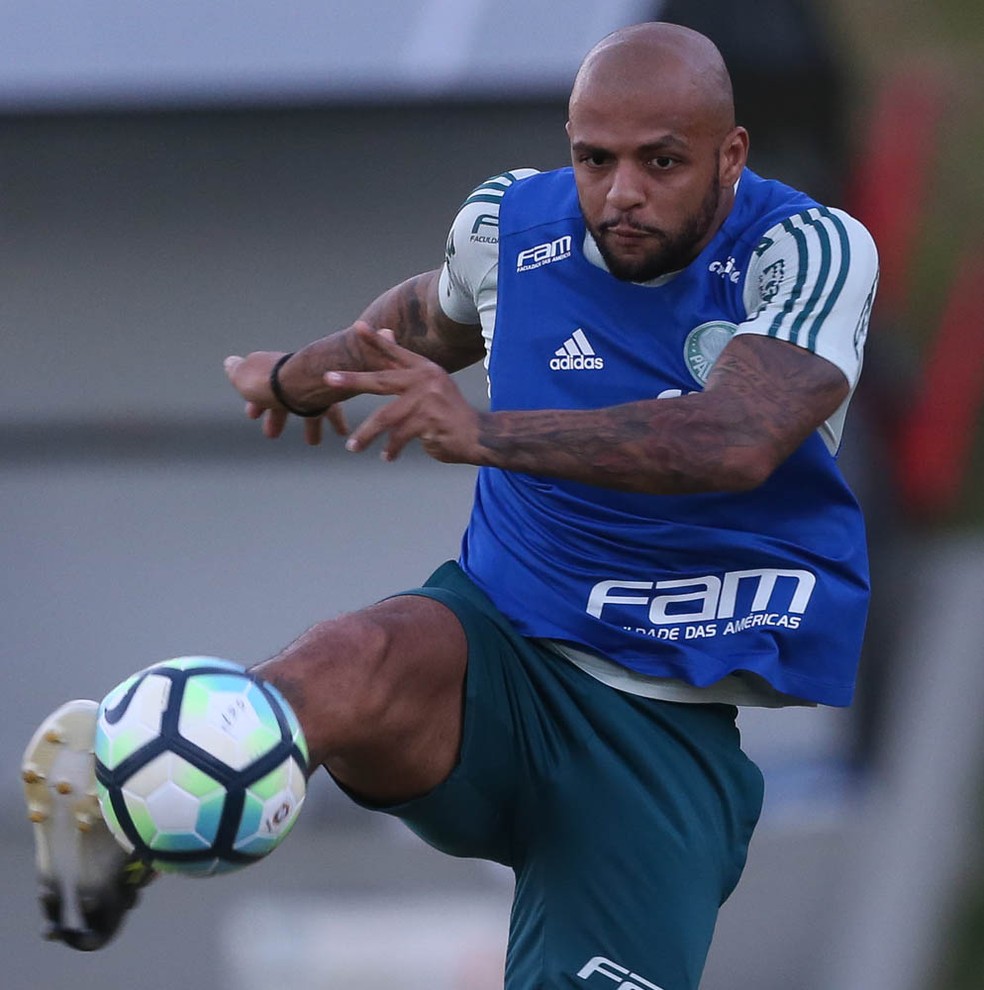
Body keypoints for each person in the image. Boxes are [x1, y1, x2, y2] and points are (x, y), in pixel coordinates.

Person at [22, 21, 878, 988]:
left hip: (661, 734)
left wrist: (484, 434)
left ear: (731, 155)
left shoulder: (807, 250)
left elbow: (739, 438)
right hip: (499, 647)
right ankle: (131, 800)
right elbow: (432, 315)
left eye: (662, 162)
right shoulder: (513, 222)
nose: (622, 193)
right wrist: (298, 378)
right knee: (350, 660)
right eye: (595, 159)